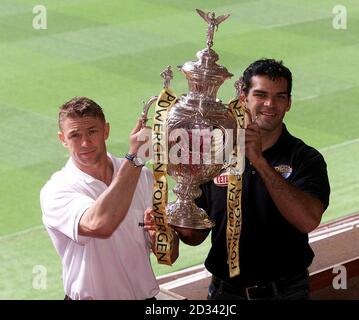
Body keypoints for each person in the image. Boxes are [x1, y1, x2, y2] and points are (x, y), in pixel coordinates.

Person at [175, 59, 330, 300]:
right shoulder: (216, 154)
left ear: (288, 103)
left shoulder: (305, 158)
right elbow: (196, 236)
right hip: (224, 293)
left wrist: (259, 161)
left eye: (280, 96)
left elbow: (307, 220)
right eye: (260, 94)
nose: (270, 104)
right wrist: (173, 220)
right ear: (243, 96)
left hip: (285, 292)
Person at [40, 96, 178, 300]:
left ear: (106, 130)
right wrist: (137, 158)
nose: (85, 142)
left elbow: (168, 255)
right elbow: (100, 225)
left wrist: (160, 236)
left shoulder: (142, 176)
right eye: (75, 135)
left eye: (92, 132)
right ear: (63, 139)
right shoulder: (57, 189)